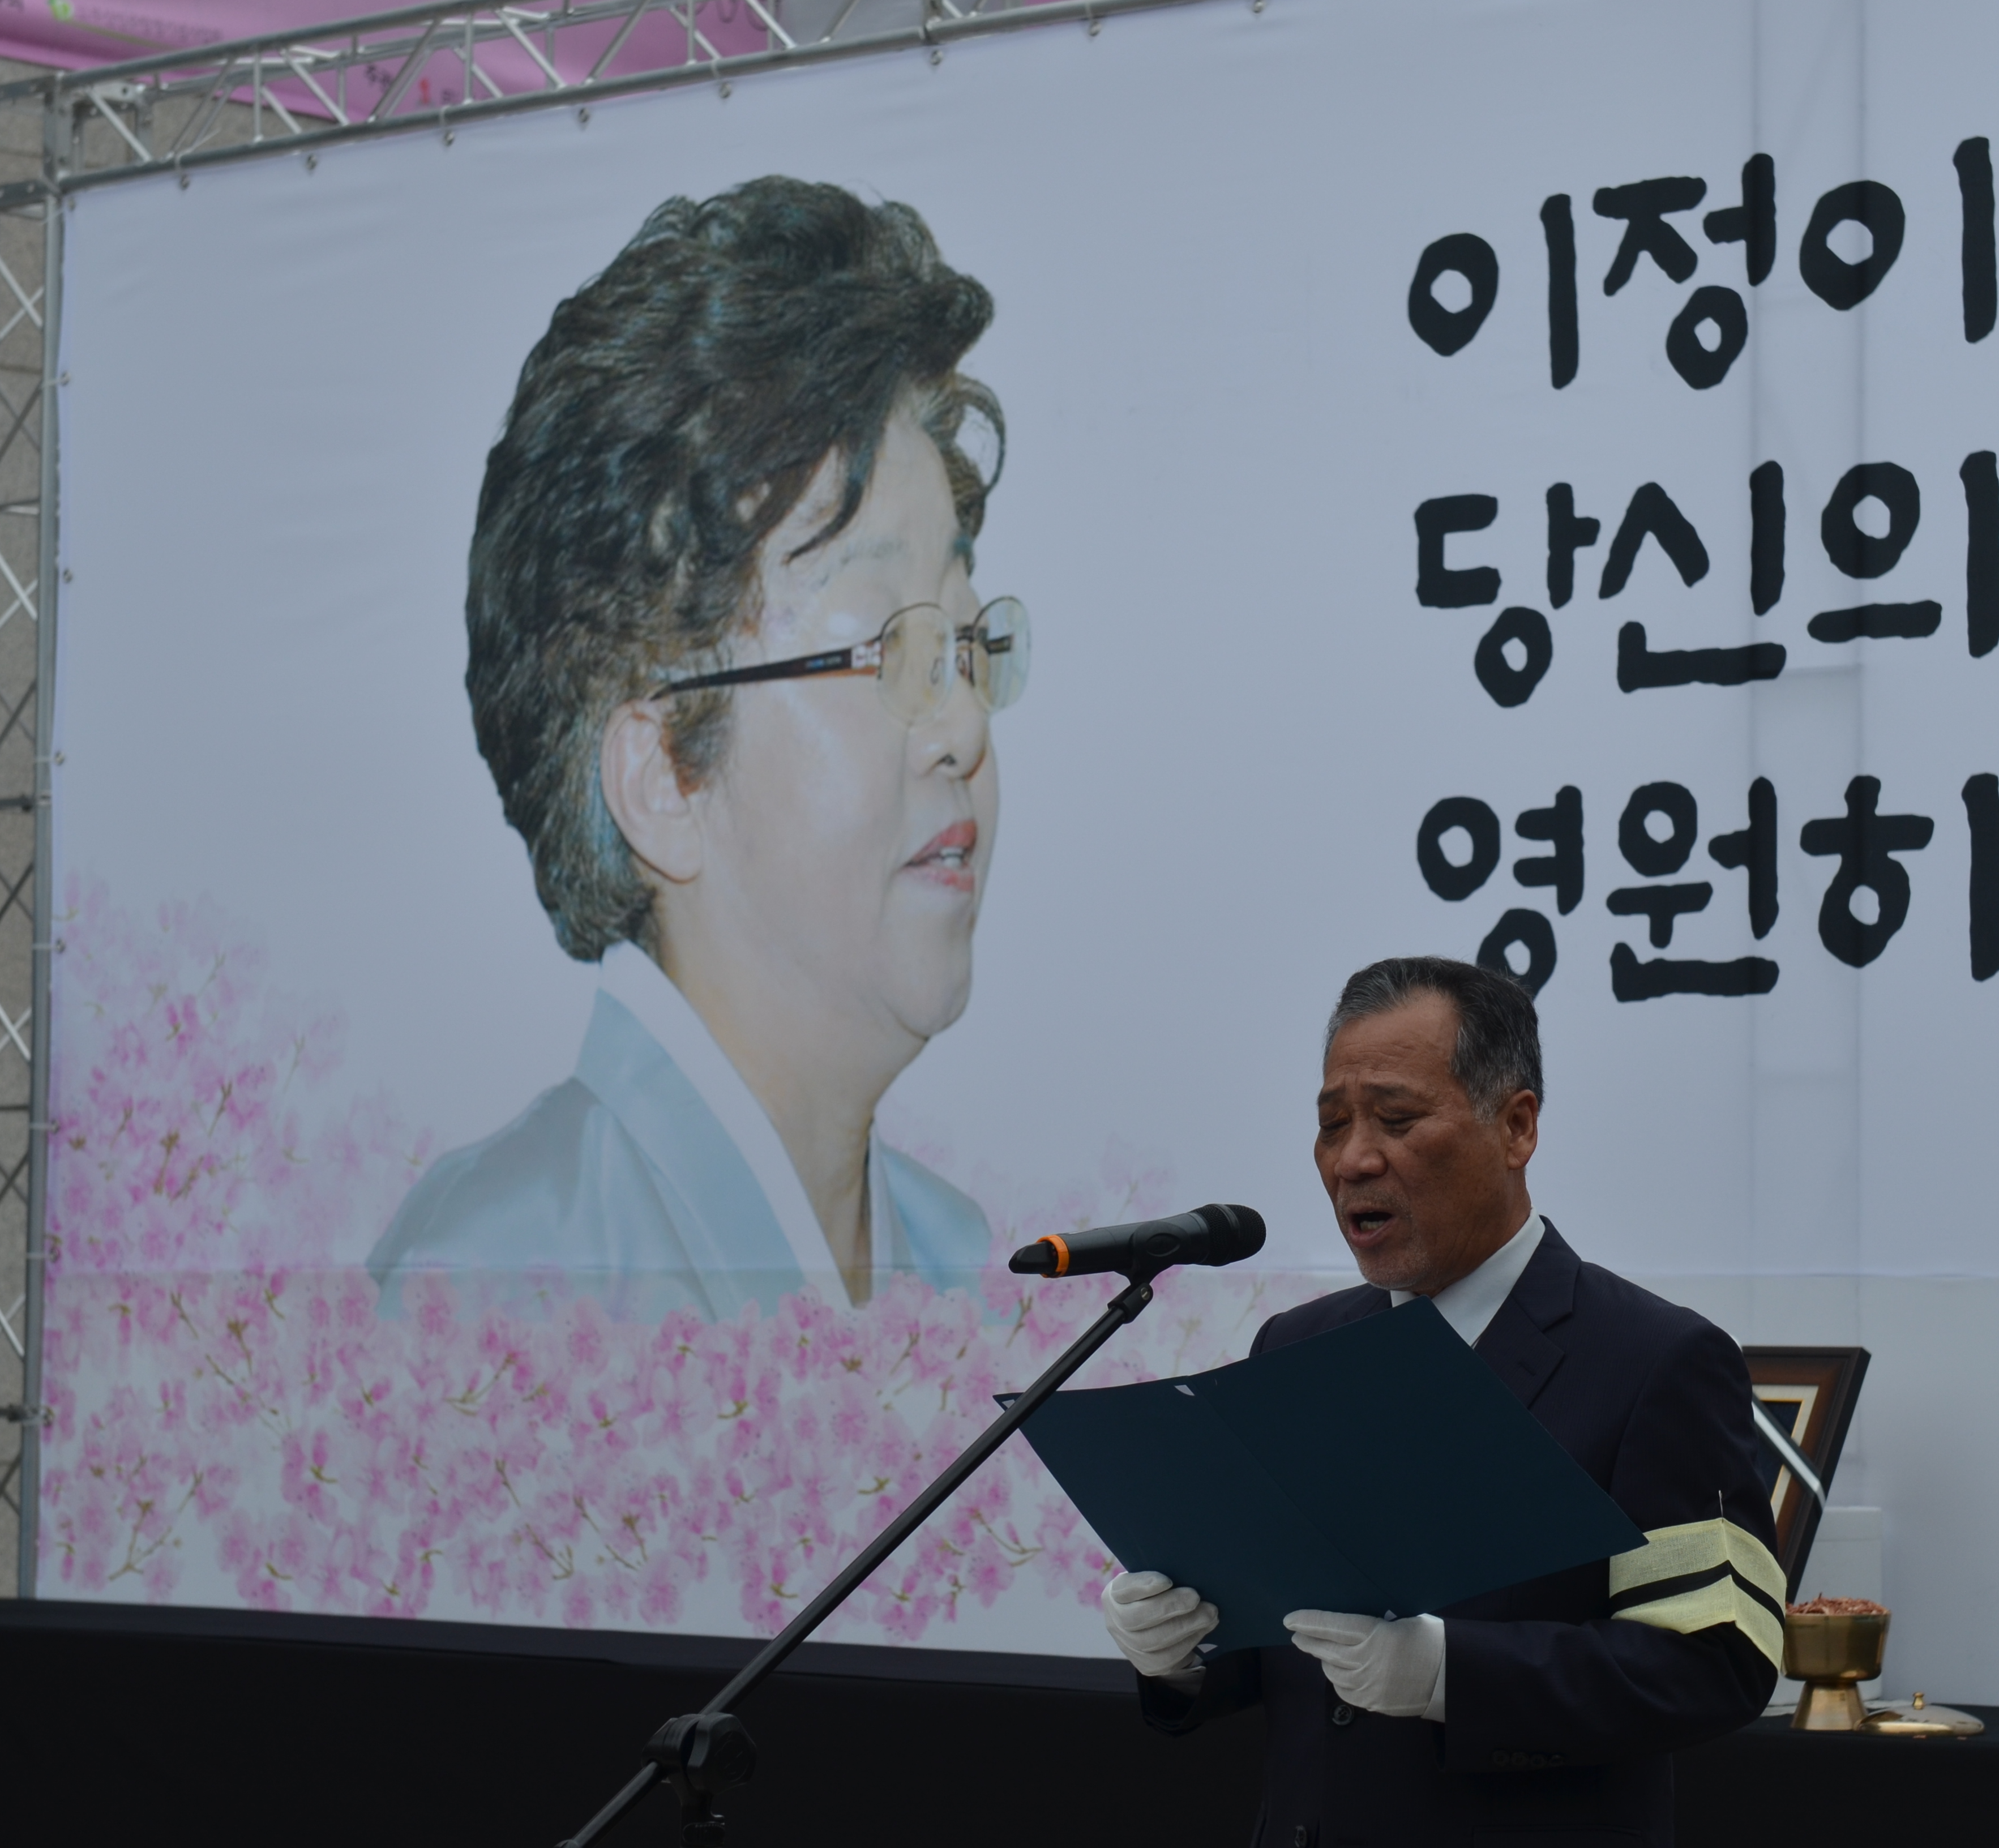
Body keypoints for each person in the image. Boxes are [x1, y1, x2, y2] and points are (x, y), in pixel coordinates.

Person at [367, 179, 1025, 1321]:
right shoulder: (501, 1281)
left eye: (964, 642)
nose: (964, 725)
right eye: (886, 647)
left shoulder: (958, 1263)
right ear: (663, 775)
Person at [1101, 957, 1780, 1846]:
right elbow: (1283, 1648)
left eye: (1396, 1119)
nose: (1354, 1159)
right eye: (1332, 1124)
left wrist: (1451, 1676)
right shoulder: (1297, 1349)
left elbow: (1715, 1661)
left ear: (1517, 1126)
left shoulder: (1657, 1361)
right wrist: (1183, 1652)